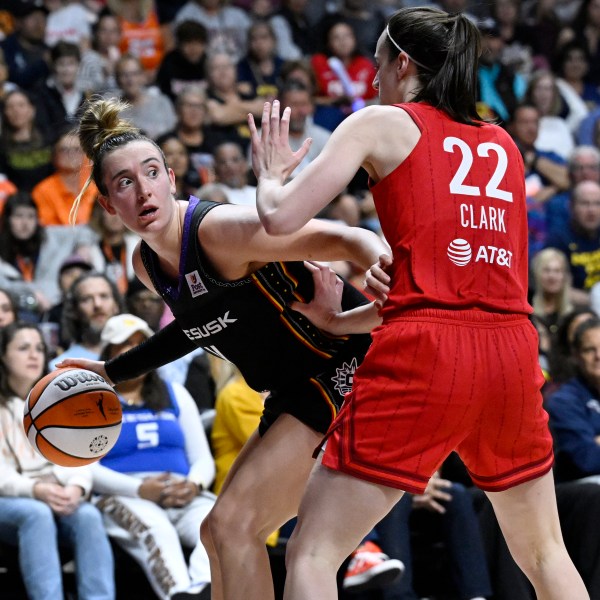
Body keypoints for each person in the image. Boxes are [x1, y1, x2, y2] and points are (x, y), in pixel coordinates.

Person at [247, 6, 589, 600]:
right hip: (511, 352)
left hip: (429, 354)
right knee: (544, 552)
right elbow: (459, 288)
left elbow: (278, 218)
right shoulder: (503, 143)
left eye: (377, 61)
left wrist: (272, 175)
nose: (373, 77)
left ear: (402, 62)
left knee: (314, 551)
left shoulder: (380, 122)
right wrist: (344, 319)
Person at [56, 95, 389, 600]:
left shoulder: (218, 232)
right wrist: (111, 369)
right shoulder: (146, 265)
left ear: (171, 177)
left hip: (343, 364)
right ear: (108, 204)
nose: (143, 190)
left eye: (150, 173)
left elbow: (348, 239)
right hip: (292, 384)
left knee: (239, 528)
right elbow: (198, 326)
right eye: (125, 182)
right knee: (217, 533)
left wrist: (386, 272)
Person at [90, 313, 214, 600]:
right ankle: (179, 595)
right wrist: (140, 489)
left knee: (219, 522)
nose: (133, 351)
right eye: (124, 344)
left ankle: (202, 591)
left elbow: (202, 459)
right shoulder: (91, 402)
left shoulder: (176, 394)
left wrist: (193, 485)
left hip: (181, 492)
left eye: (140, 343)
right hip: (125, 494)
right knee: (157, 530)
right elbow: (87, 468)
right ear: (108, 352)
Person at [0, 321, 115, 600]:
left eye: (40, 348)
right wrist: (35, 490)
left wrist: (76, 487)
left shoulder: (62, 400)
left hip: (54, 491)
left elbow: (82, 455)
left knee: (87, 515)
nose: (34, 355)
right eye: (23, 348)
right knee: (36, 514)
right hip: (11, 498)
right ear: (3, 355)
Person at [0, 191, 96, 321]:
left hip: (58, 305)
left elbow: (86, 230)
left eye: (30, 217)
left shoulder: (52, 236)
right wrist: (30, 293)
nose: (25, 223)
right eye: (18, 216)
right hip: (18, 309)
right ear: (7, 219)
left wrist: (82, 247)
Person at [546, 316, 600, 483]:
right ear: (576, 356)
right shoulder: (563, 401)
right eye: (589, 350)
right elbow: (588, 459)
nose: (598, 355)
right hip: (583, 487)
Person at [50, 271, 123, 369]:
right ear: (74, 311)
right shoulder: (61, 366)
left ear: (116, 305)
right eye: (86, 299)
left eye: (104, 296)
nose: (97, 304)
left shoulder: (137, 353)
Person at [32, 130, 98, 227]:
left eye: (76, 149)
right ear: (55, 156)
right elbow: (47, 229)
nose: (71, 154)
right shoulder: (42, 191)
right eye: (64, 149)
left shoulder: (96, 187)